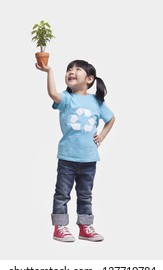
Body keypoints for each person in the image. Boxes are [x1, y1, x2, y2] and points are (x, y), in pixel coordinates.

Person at [36, 59, 115, 242]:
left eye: (77, 69)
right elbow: (52, 93)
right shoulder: (67, 98)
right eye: (69, 69)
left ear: (89, 79)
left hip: (89, 159)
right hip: (67, 157)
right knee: (62, 193)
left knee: (85, 194)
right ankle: (60, 227)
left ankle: (85, 227)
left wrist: (102, 136)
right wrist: (49, 71)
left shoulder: (97, 101)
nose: (71, 71)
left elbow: (111, 119)